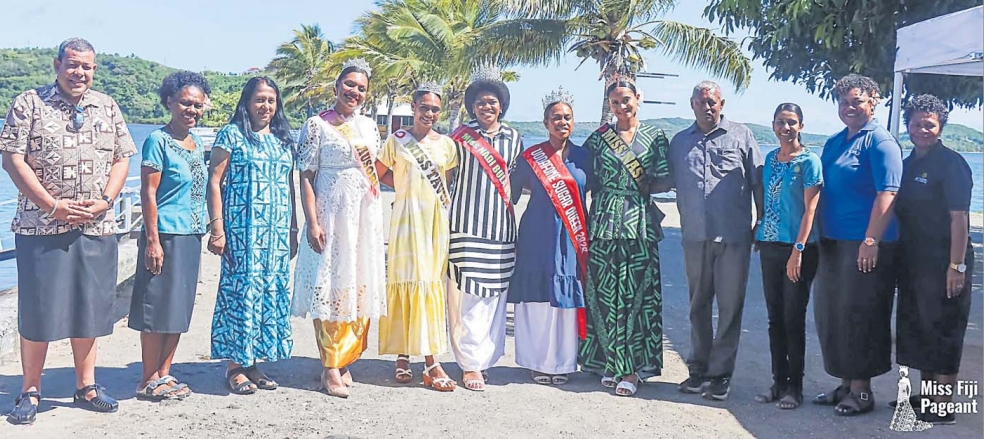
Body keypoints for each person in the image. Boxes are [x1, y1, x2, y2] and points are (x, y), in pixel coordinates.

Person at [2, 38, 134, 424]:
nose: (80, 73)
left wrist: (107, 201)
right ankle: (30, 390)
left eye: (87, 67)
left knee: (90, 309)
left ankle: (86, 386)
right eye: (73, 65)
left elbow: (123, 157)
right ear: (58, 64)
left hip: (98, 225)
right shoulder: (29, 103)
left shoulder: (107, 106)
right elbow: (12, 159)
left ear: (94, 69)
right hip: (40, 226)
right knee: (38, 311)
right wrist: (52, 206)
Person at [292, 59, 386, 398]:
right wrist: (312, 221)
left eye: (361, 88)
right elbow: (305, 174)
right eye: (349, 85)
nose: (355, 92)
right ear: (336, 87)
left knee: (357, 282)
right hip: (330, 211)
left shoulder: (370, 126)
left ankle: (345, 358)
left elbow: (377, 170)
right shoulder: (317, 125)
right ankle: (330, 365)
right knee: (330, 282)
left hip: (363, 214)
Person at [811, 74, 903, 416]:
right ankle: (845, 383)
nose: (849, 107)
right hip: (833, 242)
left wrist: (870, 240)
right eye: (844, 102)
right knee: (834, 315)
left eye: (857, 101)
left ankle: (862, 391)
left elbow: (888, 193)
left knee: (862, 314)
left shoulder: (880, 142)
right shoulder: (836, 141)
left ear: (873, 101)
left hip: (866, 244)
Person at [669, 80, 764, 401]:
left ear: (721, 104)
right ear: (691, 105)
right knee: (697, 306)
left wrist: (762, 221)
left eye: (712, 102)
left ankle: (720, 375)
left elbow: (758, 182)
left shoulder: (742, 136)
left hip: (733, 238)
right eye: (701, 102)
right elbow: (660, 179)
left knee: (730, 307)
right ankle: (698, 371)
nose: (707, 107)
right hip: (694, 237)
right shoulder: (679, 142)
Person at [579, 75, 672, 397]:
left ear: (638, 98)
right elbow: (582, 177)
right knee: (604, 296)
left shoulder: (655, 137)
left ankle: (633, 369)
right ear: (610, 104)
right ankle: (609, 362)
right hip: (603, 224)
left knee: (637, 297)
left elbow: (666, 179)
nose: (621, 106)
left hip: (639, 224)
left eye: (626, 100)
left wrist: (637, 192)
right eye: (615, 102)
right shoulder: (598, 138)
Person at [207, 76, 298, 395]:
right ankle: (235, 366)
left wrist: (294, 229)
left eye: (272, 100)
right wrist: (217, 227)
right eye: (260, 99)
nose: (266, 106)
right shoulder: (231, 135)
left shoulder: (284, 138)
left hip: (275, 234)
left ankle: (253, 362)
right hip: (242, 231)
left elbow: (290, 186)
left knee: (269, 292)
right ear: (247, 102)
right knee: (241, 293)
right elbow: (214, 181)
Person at [129, 71, 211, 401]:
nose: (191, 109)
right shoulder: (156, 141)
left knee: (178, 308)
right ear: (169, 102)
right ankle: (147, 378)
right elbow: (148, 193)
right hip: (164, 233)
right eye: (184, 103)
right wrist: (152, 241)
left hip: (191, 234)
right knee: (155, 308)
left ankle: (165, 373)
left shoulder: (198, 142)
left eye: (197, 104)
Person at [894, 94, 974, 425]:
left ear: (940, 126)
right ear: (908, 126)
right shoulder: (909, 161)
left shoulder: (951, 163)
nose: (922, 129)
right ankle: (926, 396)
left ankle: (943, 404)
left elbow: (960, 218)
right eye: (916, 123)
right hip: (914, 261)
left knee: (944, 328)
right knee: (920, 327)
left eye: (929, 124)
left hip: (946, 260)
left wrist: (956, 267)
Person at [376, 81, 459, 392]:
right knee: (405, 280)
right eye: (424, 107)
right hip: (405, 221)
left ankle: (429, 357)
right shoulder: (397, 141)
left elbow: (445, 184)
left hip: (435, 222)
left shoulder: (448, 145)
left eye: (435, 109)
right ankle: (405, 354)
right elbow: (380, 171)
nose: (430, 113)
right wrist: (403, 189)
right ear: (413, 108)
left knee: (429, 283)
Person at [447, 68, 524, 391]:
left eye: (492, 102)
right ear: (472, 106)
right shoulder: (461, 138)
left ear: (501, 106)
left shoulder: (514, 138)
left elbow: (517, 183)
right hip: (465, 227)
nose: (486, 107)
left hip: (501, 229)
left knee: (494, 298)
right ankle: (469, 364)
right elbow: (447, 178)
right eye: (480, 102)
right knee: (467, 298)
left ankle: (487, 359)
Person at [508, 87, 591, 386]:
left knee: (565, 298)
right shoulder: (531, 157)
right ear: (545, 122)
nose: (562, 123)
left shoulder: (584, 157)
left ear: (574, 121)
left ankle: (563, 362)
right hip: (536, 236)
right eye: (556, 118)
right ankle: (537, 361)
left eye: (567, 117)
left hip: (571, 238)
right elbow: (510, 194)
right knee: (538, 299)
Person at [752, 103, 822, 410]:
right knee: (774, 319)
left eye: (792, 122)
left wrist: (799, 250)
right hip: (769, 247)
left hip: (800, 250)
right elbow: (768, 200)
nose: (786, 127)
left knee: (793, 319)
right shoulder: (770, 159)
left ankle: (796, 387)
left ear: (801, 126)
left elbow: (811, 209)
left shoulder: (809, 161)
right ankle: (778, 382)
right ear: (773, 125)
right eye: (781, 122)